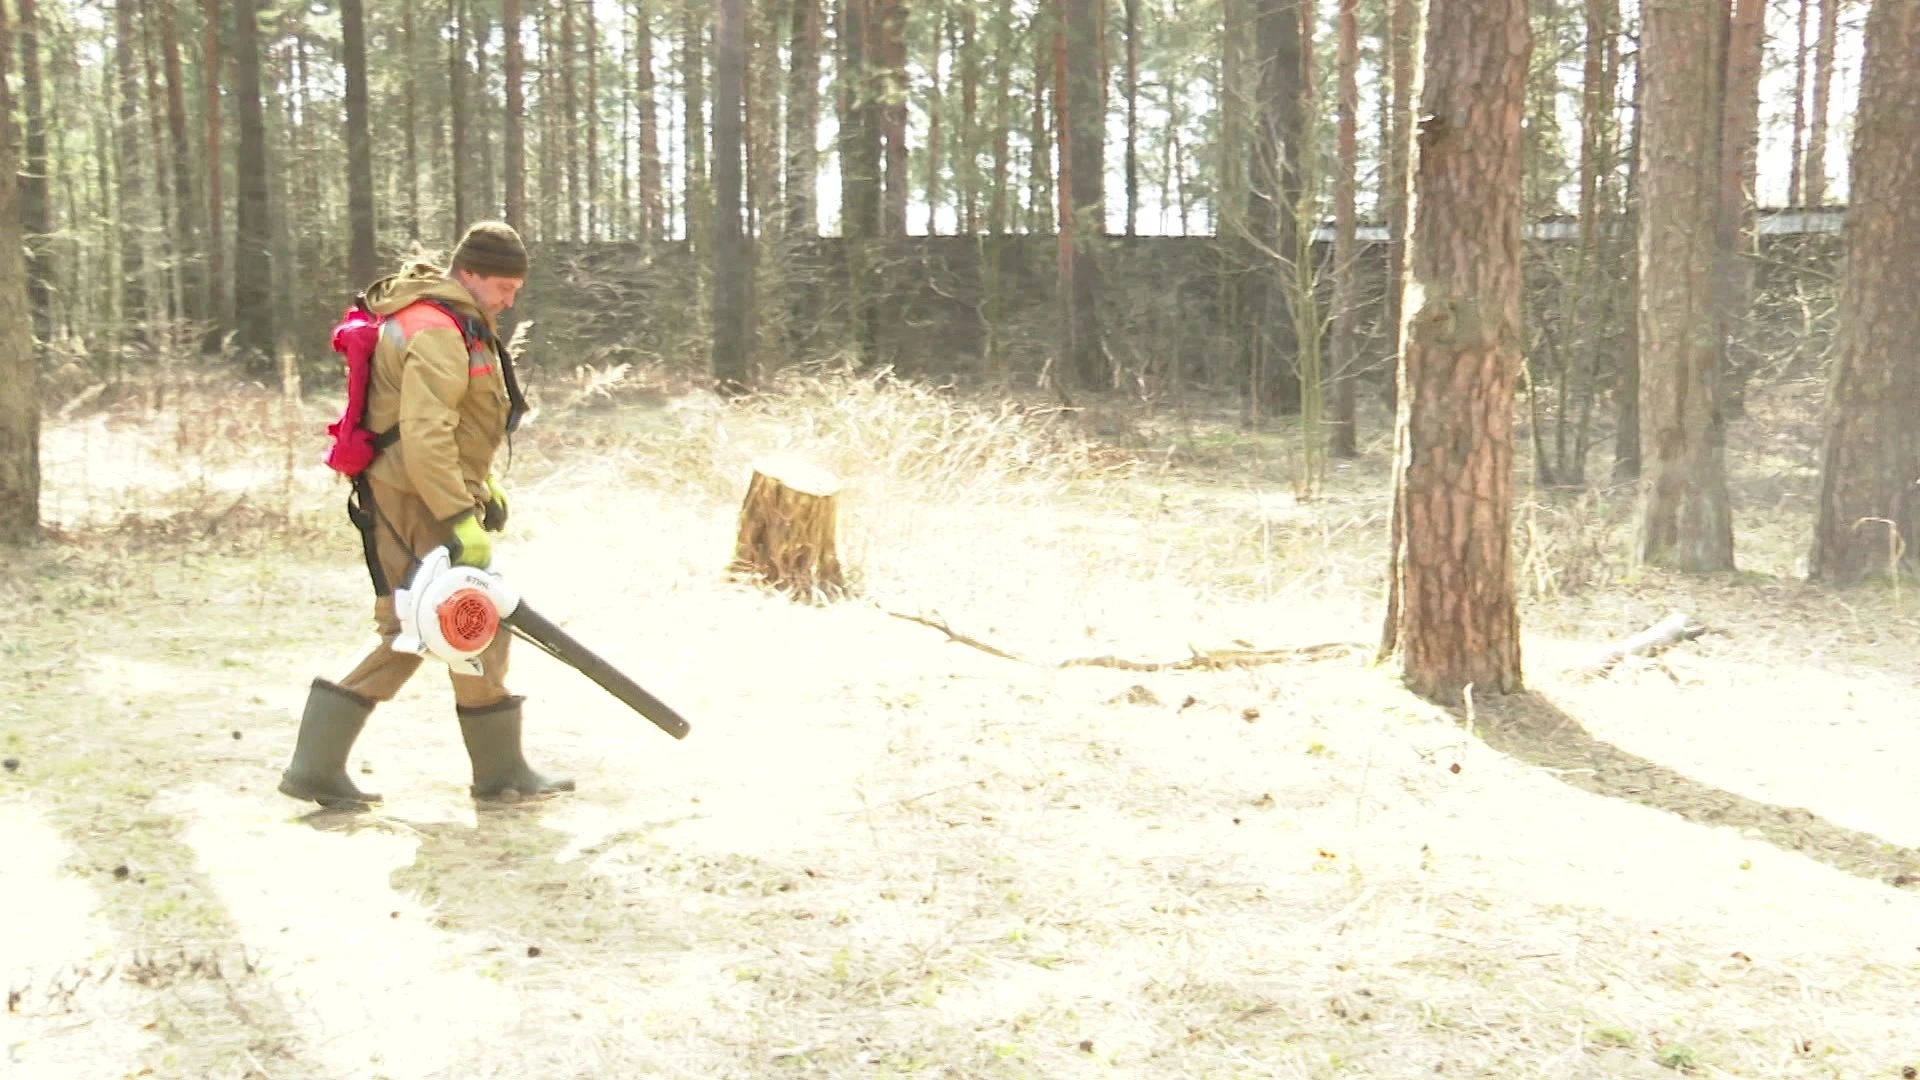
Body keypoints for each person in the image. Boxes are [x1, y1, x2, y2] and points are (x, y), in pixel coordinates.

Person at [279, 222, 573, 809]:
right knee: (428, 623)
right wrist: (458, 513)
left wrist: (481, 483)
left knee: (461, 621)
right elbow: (424, 432)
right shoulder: (437, 329)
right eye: (503, 286)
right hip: (415, 500)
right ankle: (320, 766)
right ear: (469, 274)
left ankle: (500, 772)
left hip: (418, 492)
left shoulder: (444, 320)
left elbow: (453, 425)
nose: (510, 300)